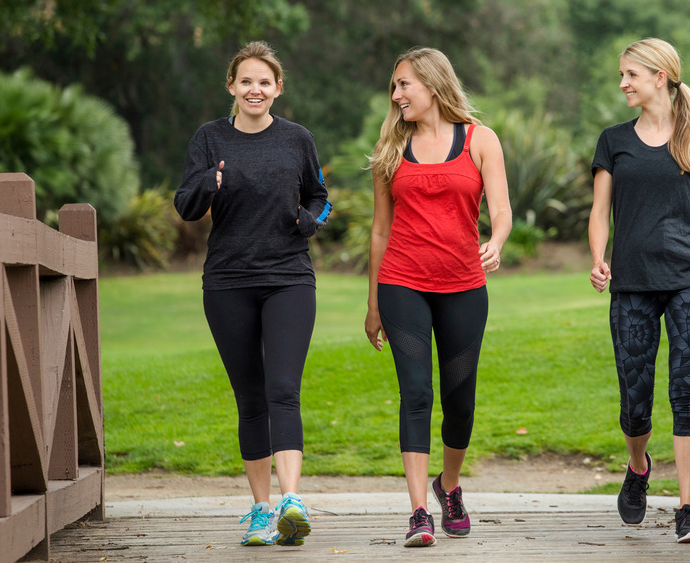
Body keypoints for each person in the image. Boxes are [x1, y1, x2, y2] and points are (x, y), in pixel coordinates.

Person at [173, 40, 331, 547]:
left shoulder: (297, 139)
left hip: (288, 278)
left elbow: (320, 196)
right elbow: (185, 205)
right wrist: (210, 184)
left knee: (283, 388)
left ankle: (291, 502)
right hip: (227, 282)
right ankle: (261, 510)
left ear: (278, 88)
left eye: (265, 81)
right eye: (246, 81)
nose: (255, 89)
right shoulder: (209, 138)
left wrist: (308, 221)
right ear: (232, 87)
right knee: (251, 398)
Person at [587, 37, 690, 544]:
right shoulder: (613, 140)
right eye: (622, 74)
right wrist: (598, 258)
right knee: (635, 401)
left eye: (631, 74)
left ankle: (687, 509)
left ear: (660, 77)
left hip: (688, 283)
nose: (623, 83)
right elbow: (599, 212)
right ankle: (639, 464)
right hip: (630, 285)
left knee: (685, 390)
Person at [364, 47, 512, 548]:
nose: (397, 94)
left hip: (464, 286)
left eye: (404, 84)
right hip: (402, 282)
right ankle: (419, 513)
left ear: (432, 84)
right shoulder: (391, 143)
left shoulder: (479, 139)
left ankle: (448, 487)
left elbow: (503, 209)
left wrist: (495, 241)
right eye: (394, 86)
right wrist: (372, 305)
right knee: (416, 393)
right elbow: (380, 230)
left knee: (459, 400)